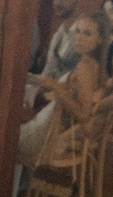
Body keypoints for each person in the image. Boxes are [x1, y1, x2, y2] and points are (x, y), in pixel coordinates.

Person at [17, 12, 104, 173]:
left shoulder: (85, 67)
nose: (79, 37)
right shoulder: (93, 65)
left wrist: (56, 87)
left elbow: (84, 114)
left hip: (47, 142)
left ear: (99, 40)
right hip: (51, 132)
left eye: (87, 33)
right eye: (77, 31)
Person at [29, 0, 88, 84]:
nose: (57, 3)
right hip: (50, 95)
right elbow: (47, 74)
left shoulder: (88, 34)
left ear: (81, 0)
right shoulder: (59, 34)